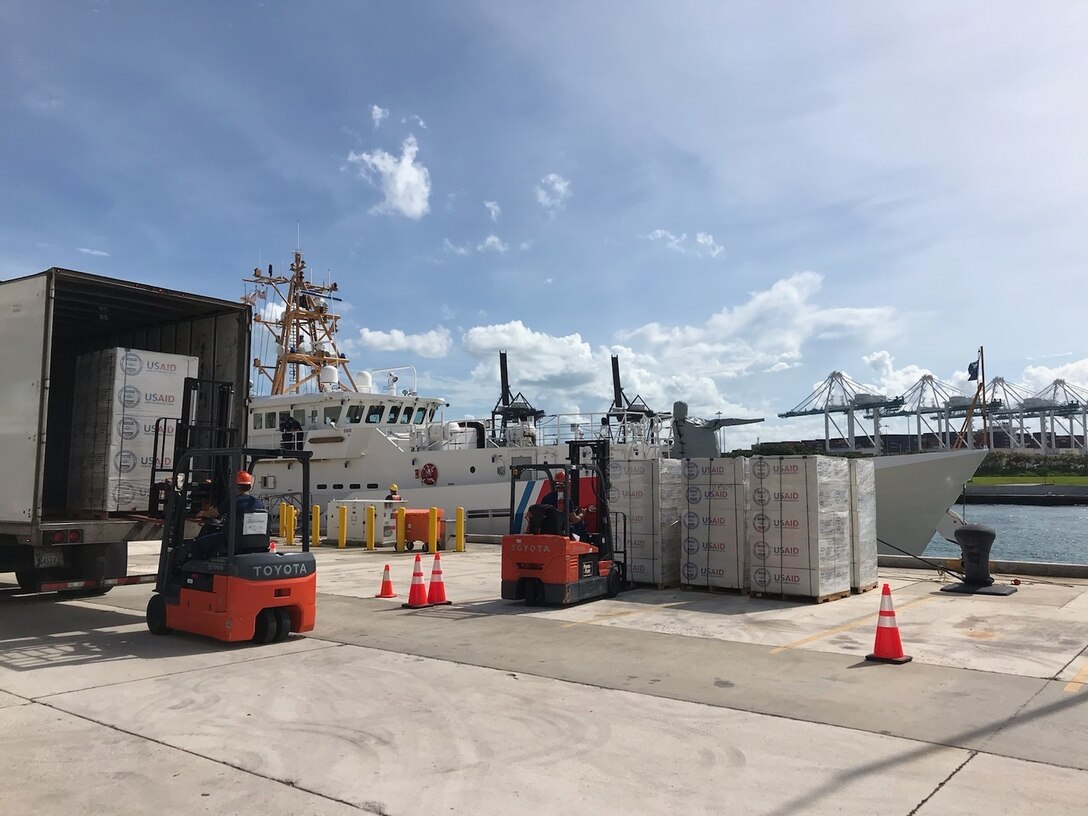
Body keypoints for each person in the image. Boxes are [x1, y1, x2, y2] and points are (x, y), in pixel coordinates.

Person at [191, 471, 267, 559]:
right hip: (255, 543)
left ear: (235, 486)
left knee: (199, 544)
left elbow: (213, 513)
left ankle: (197, 572)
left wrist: (202, 513)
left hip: (233, 542)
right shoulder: (258, 503)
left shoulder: (232, 501)